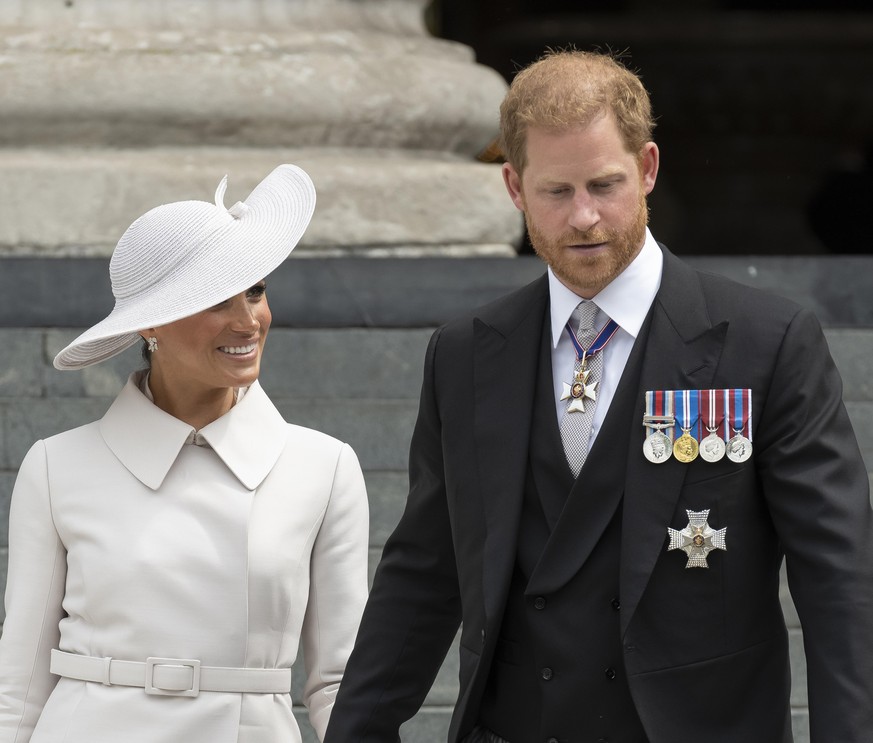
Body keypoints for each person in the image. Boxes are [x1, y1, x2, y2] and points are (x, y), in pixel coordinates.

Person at [324, 50, 873, 743]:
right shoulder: (465, 352)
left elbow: (838, 577)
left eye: (604, 184)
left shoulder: (766, 341)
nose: (584, 217)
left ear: (646, 168)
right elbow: (425, 567)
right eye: (556, 191)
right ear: (513, 188)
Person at [0, 164, 369, 743]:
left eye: (255, 290)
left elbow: (341, 683)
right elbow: (19, 684)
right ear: (152, 326)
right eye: (218, 300)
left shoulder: (323, 467)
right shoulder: (56, 467)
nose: (249, 320)